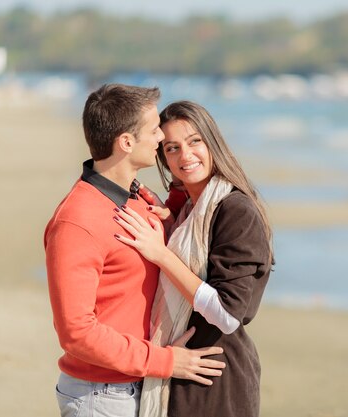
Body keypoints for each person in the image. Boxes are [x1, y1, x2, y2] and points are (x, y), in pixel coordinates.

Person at [44, 85, 226, 417]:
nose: (161, 137)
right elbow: (76, 333)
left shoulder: (137, 199)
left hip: (140, 387)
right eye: (154, 128)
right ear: (126, 142)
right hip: (101, 396)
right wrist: (167, 361)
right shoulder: (77, 222)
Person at [114, 100, 273, 417]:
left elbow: (228, 315)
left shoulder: (234, 209)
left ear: (212, 141)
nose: (185, 156)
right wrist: (171, 223)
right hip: (182, 369)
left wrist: (161, 254)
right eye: (171, 148)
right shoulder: (189, 209)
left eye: (194, 141)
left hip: (215, 376)